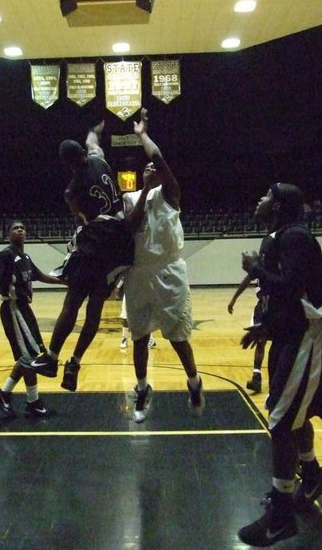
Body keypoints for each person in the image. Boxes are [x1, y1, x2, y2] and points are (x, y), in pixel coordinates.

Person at [237, 183, 322, 547]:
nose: (259, 199)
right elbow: (284, 296)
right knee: (292, 414)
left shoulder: (296, 237)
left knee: (281, 421)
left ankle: (281, 515)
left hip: (309, 337)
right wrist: (264, 328)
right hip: (290, 334)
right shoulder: (281, 237)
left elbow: (292, 287)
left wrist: (256, 269)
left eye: (265, 196)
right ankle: (312, 476)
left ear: (279, 206)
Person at [27, 120, 134, 392]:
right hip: (121, 242)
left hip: (98, 241)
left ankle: (51, 359)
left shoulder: (71, 190)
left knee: (72, 302)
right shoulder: (100, 161)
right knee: (95, 306)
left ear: (68, 164)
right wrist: (94, 131)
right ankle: (74, 362)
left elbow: (81, 216)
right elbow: (93, 142)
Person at [120, 108, 205, 423]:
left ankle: (194, 382)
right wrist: (142, 192)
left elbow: (158, 155)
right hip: (139, 273)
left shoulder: (171, 192)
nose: (153, 165)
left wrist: (143, 135)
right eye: (149, 166)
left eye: (157, 165)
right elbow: (129, 227)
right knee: (140, 336)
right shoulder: (131, 198)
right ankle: (142, 388)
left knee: (178, 337)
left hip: (169, 272)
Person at [0, 220, 67, 418]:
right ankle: (33, 402)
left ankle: (4, 394)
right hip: (13, 308)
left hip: (24, 309)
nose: (20, 230)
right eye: (16, 228)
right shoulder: (5, 255)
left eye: (23, 228)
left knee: (29, 354)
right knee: (29, 358)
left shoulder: (24, 257)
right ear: (9, 234)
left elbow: (40, 275)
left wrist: (66, 282)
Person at [228, 236, 277, 394]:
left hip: (275, 305)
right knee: (260, 342)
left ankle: (276, 378)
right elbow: (246, 280)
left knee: (276, 343)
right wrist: (234, 299)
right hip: (262, 305)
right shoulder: (261, 266)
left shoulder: (274, 265)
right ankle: (257, 377)